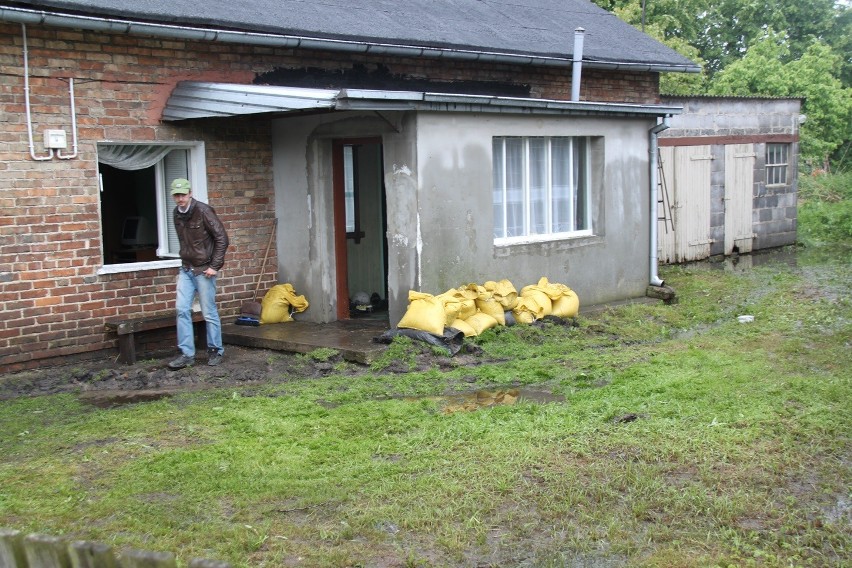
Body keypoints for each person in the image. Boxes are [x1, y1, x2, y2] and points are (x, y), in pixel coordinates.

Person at [167, 178, 230, 369]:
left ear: (190, 193)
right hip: (186, 268)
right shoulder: (176, 214)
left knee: (209, 312)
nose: (180, 199)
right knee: (182, 309)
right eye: (176, 195)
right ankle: (187, 354)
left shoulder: (203, 211)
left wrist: (215, 266)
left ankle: (215, 350)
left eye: (183, 194)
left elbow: (222, 238)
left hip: (204, 270)